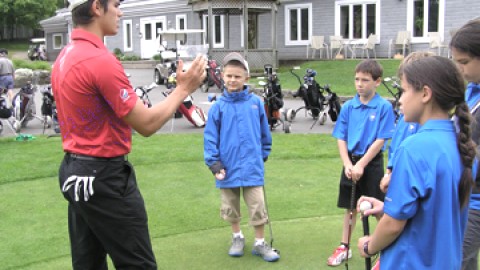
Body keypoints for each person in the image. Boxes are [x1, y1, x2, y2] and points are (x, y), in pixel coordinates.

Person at [51, 0, 206, 269]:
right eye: (116, 4)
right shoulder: (99, 60)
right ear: (97, 7)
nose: (120, 12)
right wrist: (183, 90)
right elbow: (146, 124)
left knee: (88, 264)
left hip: (74, 170)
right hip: (104, 177)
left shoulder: (66, 55)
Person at [357, 56, 475, 269]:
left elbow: (393, 225)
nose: (399, 100)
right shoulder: (461, 145)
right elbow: (431, 213)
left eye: (404, 91)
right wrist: (386, 208)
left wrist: (369, 245)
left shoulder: (414, 148)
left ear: (425, 94)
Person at [203, 52, 279, 262]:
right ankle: (237, 237)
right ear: (222, 77)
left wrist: (262, 154)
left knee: (257, 205)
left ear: (246, 78)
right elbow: (210, 138)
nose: (233, 80)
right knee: (230, 206)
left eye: (237, 76)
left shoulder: (255, 103)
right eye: (229, 76)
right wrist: (214, 164)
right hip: (226, 167)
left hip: (252, 165)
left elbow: (265, 133)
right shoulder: (218, 107)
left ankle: (260, 243)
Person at [327, 59, 395, 267]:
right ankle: (344, 247)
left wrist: (361, 165)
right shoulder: (349, 106)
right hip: (351, 163)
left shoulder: (383, 107)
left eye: (365, 80)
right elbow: (341, 137)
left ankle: (385, 251)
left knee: (376, 208)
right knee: (350, 207)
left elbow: (381, 140)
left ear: (377, 82)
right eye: (357, 79)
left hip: (371, 163)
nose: (359, 84)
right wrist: (348, 164)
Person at [379, 52, 434, 194]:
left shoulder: (430, 129)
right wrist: (388, 174)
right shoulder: (405, 119)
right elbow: (394, 150)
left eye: (404, 91)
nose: (400, 100)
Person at [450, 18, 480, 270]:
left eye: (464, 62)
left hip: (475, 199)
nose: (459, 70)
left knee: (458, 260)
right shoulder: (471, 90)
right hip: (464, 195)